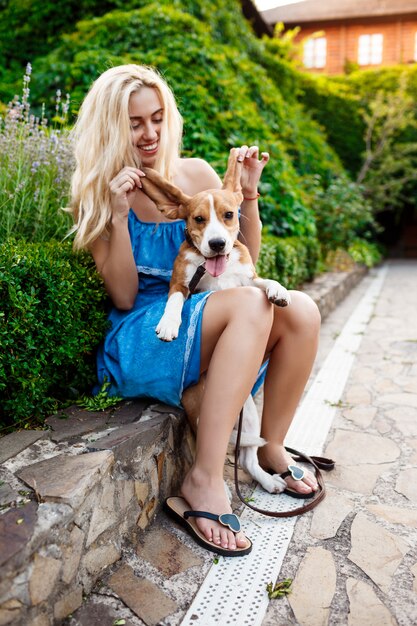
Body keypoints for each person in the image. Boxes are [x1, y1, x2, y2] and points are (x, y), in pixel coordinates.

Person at [69, 64, 321, 556]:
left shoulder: (196, 175)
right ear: (109, 125)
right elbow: (122, 296)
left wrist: (248, 194)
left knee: (303, 310)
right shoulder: (99, 194)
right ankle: (203, 480)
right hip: (146, 330)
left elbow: (245, 259)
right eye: (134, 121)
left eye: (157, 119)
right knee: (250, 304)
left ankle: (270, 446)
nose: (149, 133)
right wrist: (118, 217)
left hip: (209, 313)